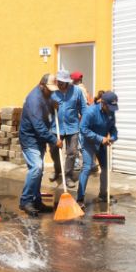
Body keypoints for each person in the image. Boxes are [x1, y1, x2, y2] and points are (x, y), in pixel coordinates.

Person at [18, 74, 63, 217]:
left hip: (39, 139)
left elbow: (47, 107)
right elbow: (38, 126)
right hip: (30, 138)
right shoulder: (34, 100)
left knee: (39, 170)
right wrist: (54, 140)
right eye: (49, 89)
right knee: (36, 168)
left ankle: (36, 201)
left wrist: (52, 105)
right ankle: (25, 201)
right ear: (41, 85)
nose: (52, 92)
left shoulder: (45, 95)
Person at [77, 91, 119, 209]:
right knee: (87, 167)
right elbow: (83, 129)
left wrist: (114, 137)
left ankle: (103, 194)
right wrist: (100, 138)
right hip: (89, 143)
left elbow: (113, 128)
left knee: (105, 168)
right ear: (103, 103)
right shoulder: (90, 112)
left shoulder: (111, 113)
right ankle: (80, 198)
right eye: (109, 107)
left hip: (102, 144)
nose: (111, 109)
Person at [49, 69, 88, 189]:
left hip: (73, 127)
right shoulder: (53, 92)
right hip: (56, 128)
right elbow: (45, 107)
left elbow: (83, 108)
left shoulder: (77, 91)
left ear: (68, 82)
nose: (59, 84)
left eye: (62, 82)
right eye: (58, 81)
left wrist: (84, 123)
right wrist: (50, 105)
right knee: (54, 151)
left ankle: (68, 176)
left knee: (72, 153)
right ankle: (57, 170)